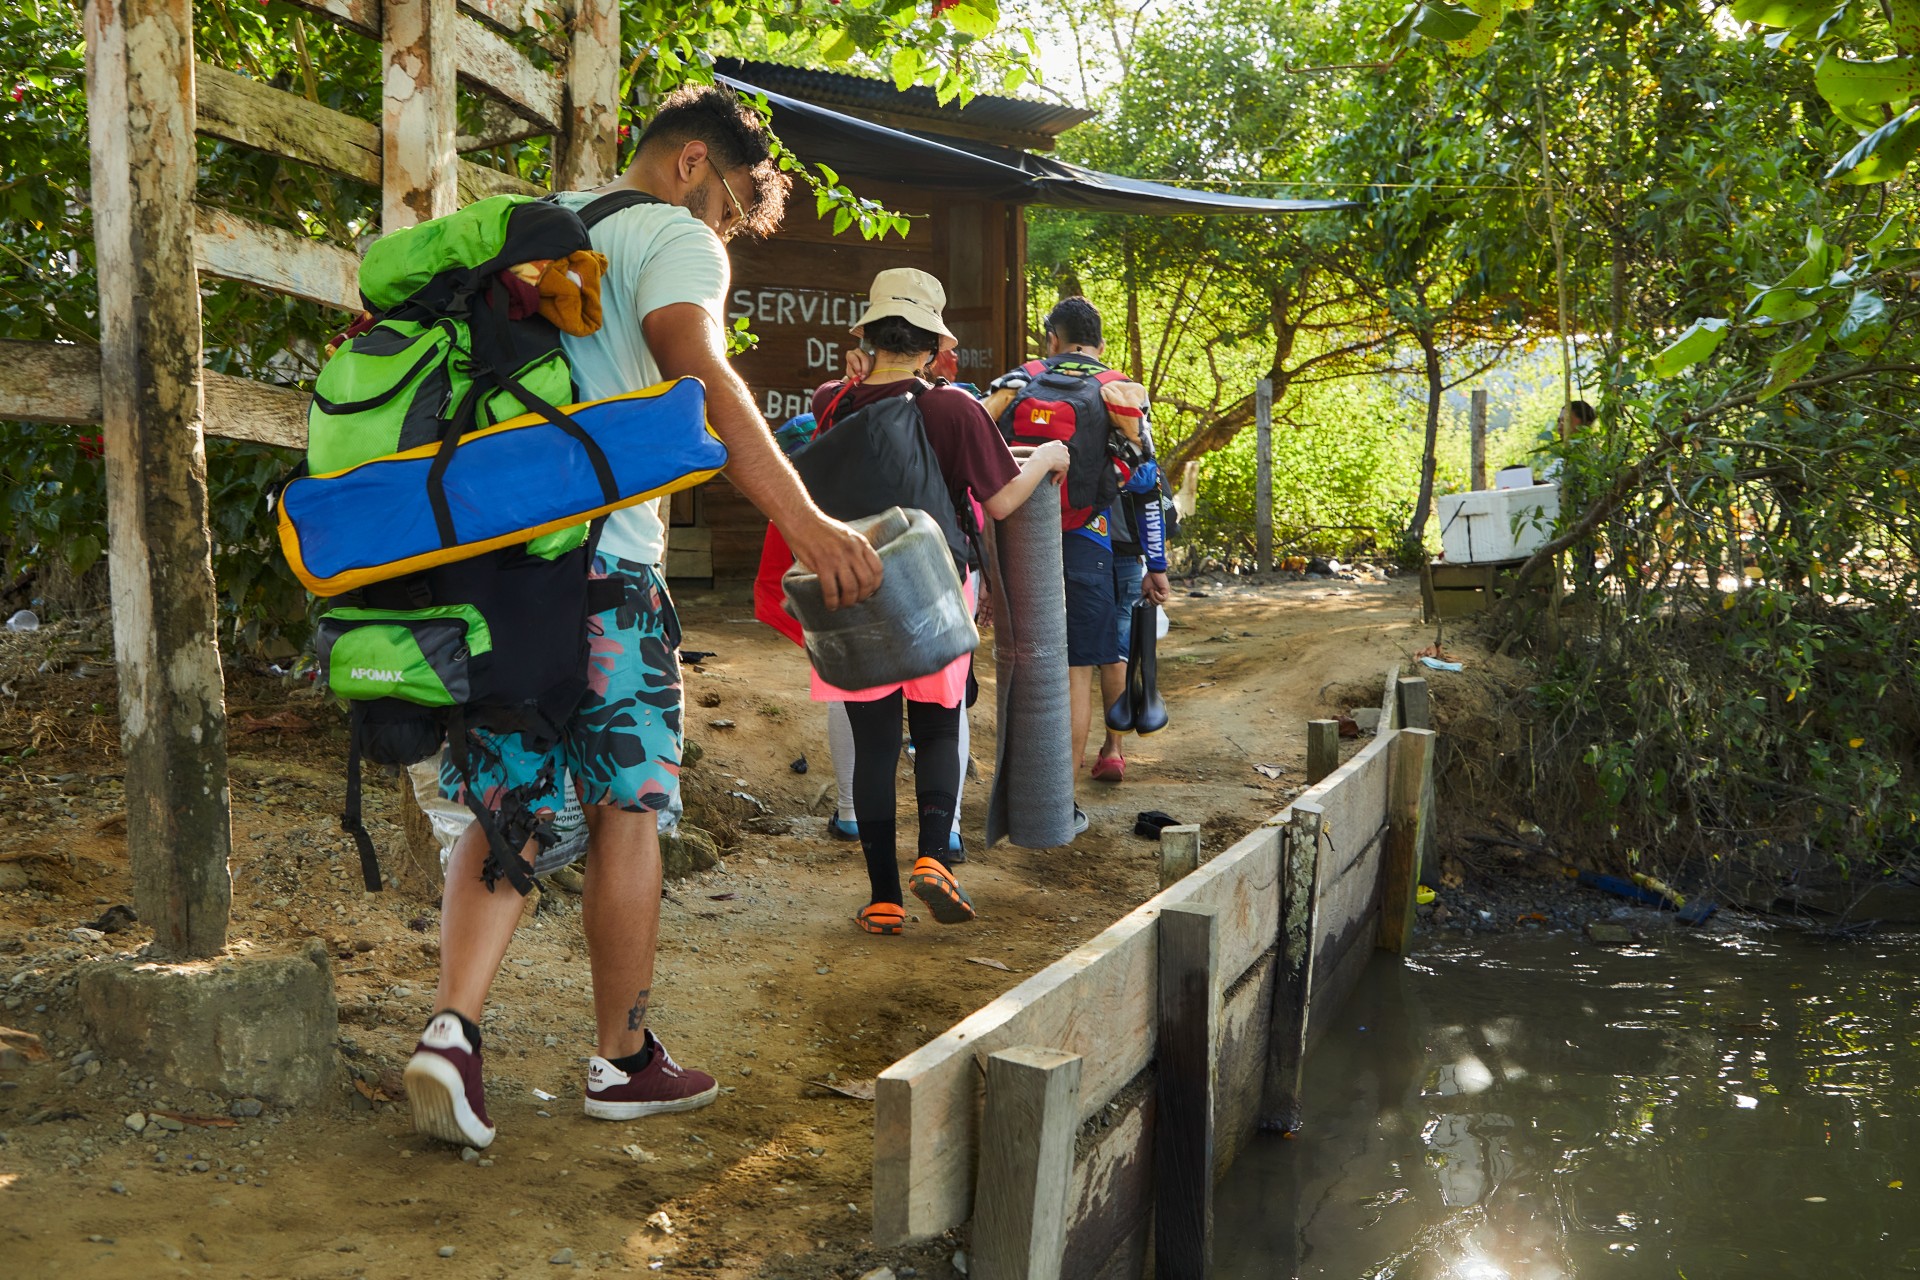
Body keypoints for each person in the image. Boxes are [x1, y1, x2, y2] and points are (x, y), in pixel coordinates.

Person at [404, 84, 884, 1151]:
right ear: (693, 166)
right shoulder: (673, 234)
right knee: (629, 803)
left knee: (512, 800)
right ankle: (622, 1060)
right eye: (727, 211)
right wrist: (804, 521)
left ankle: (452, 1030)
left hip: (496, 568)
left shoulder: (539, 228)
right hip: (606, 569)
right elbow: (698, 370)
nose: (721, 235)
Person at [807, 268, 1068, 935]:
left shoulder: (830, 402)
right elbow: (1005, 499)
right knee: (935, 726)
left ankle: (884, 897)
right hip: (931, 586)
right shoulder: (953, 408)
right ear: (933, 344)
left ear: (866, 333)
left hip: (849, 587)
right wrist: (1051, 458)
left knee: (871, 746)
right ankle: (933, 860)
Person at [985, 297, 1169, 833]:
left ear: (1052, 339)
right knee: (1076, 672)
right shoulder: (1120, 390)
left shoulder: (1018, 380)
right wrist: (1155, 562)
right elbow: (1146, 478)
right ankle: (1057, 804)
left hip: (1019, 536)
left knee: (1019, 662)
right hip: (1089, 539)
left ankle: (1016, 791)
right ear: (1100, 342)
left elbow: (975, 444)